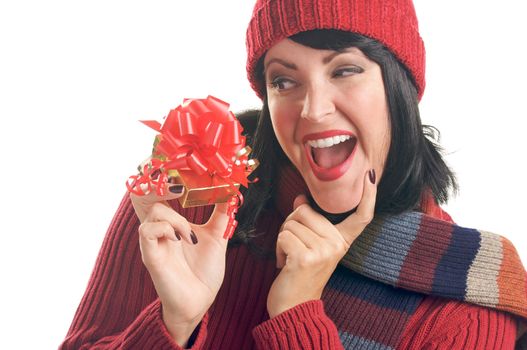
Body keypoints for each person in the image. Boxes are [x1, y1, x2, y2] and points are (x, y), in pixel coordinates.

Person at [60, 0, 527, 349]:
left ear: (399, 86)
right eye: (284, 80)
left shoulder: (464, 310)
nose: (313, 109)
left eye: (345, 70)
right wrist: (173, 323)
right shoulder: (189, 196)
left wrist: (298, 314)